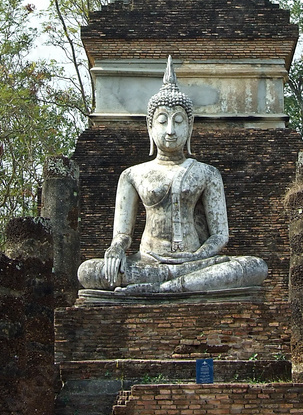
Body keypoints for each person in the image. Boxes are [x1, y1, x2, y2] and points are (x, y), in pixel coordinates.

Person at [77, 58, 268, 295]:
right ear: (150, 127)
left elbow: (220, 235)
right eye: (162, 121)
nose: (170, 130)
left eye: (178, 121)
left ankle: (163, 288)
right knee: (89, 272)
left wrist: (198, 255)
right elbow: (122, 235)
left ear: (190, 126)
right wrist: (116, 249)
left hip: (195, 263)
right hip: (148, 262)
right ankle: (168, 282)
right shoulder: (132, 175)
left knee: (254, 267)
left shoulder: (207, 173)